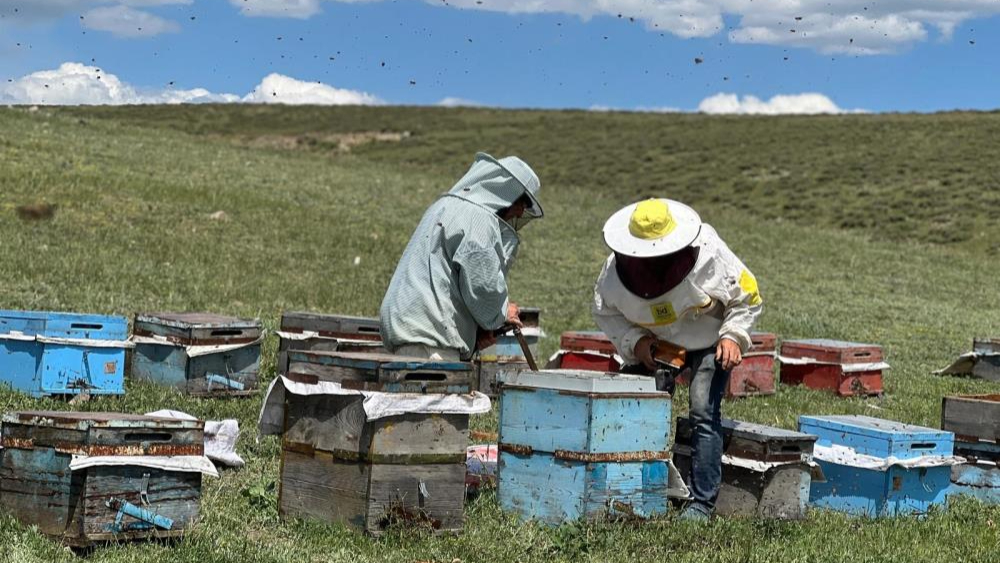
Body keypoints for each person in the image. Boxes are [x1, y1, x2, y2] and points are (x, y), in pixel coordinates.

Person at [592, 198, 762, 520]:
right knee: (636, 401)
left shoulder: (710, 252)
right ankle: (632, 486)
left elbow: (748, 297)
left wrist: (732, 336)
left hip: (709, 340)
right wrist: (638, 343)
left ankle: (702, 503)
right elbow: (604, 311)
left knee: (702, 408)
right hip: (659, 345)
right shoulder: (615, 273)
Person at [379, 152, 543, 361]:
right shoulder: (478, 219)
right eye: (522, 203)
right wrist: (502, 314)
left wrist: (475, 331)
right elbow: (483, 286)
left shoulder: (444, 206)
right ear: (506, 194)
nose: (520, 213)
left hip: (413, 333)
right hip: (431, 344)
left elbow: (450, 279)